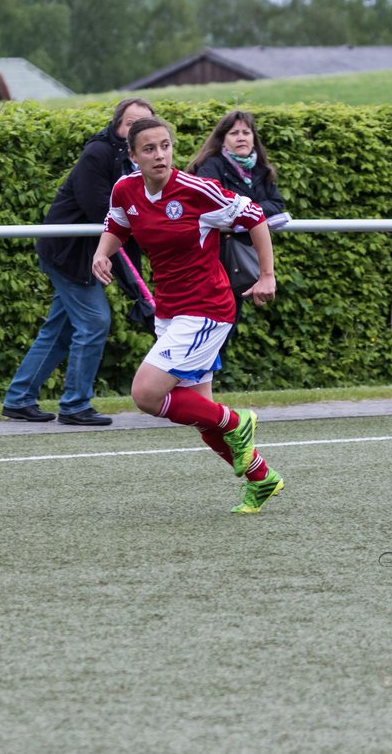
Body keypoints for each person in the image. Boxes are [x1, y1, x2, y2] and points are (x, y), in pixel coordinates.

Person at [91, 116, 284, 514]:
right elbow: (118, 223)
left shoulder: (197, 190)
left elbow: (254, 216)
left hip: (207, 310)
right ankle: (261, 478)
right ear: (133, 156)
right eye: (149, 148)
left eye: (165, 146)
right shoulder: (126, 190)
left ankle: (236, 420)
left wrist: (267, 275)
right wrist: (101, 252)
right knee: (201, 419)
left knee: (146, 394)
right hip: (172, 312)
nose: (160, 154)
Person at [1, 97, 156, 427]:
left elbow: (130, 224)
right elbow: (100, 209)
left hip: (87, 254)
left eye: (144, 123)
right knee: (94, 322)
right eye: (131, 123)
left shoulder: (142, 160)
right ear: (118, 126)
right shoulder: (98, 154)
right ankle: (74, 404)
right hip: (68, 253)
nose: (137, 129)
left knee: (60, 329)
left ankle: (19, 399)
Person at [188, 109, 290, 356]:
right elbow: (212, 203)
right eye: (234, 133)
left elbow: (276, 203)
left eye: (246, 132)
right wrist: (251, 212)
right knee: (211, 324)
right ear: (223, 139)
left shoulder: (261, 171)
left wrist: (246, 211)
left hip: (241, 262)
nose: (242, 137)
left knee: (228, 322)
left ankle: (205, 383)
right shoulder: (210, 166)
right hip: (211, 258)